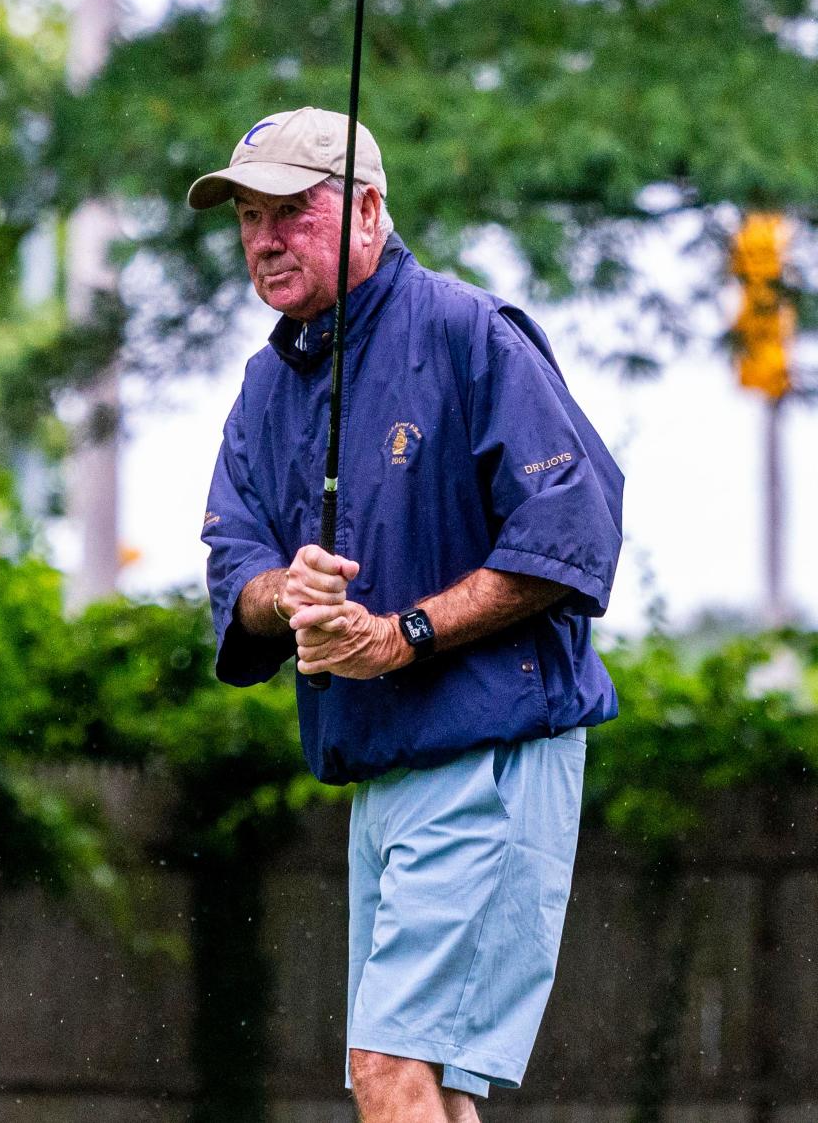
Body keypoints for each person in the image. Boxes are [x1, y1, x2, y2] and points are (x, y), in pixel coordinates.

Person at [188, 106, 623, 1123]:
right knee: (424, 1085)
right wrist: (280, 593)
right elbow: (233, 564)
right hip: (379, 771)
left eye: (291, 212)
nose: (262, 240)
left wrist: (402, 635)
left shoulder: (469, 334)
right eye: (249, 217)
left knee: (391, 1071)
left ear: (369, 212)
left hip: (491, 752)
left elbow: (572, 532)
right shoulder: (265, 385)